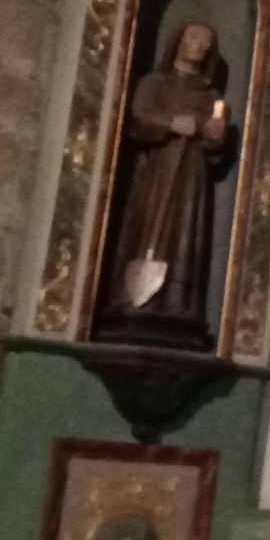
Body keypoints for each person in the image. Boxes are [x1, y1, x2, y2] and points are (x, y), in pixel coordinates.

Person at [97, 21, 234, 349]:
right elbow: (138, 118)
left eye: (206, 41)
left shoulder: (211, 97)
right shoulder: (154, 83)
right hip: (155, 173)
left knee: (184, 233)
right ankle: (133, 297)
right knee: (147, 230)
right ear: (178, 41)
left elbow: (216, 153)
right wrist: (172, 124)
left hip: (191, 179)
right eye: (194, 37)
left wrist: (214, 138)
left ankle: (177, 302)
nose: (200, 45)